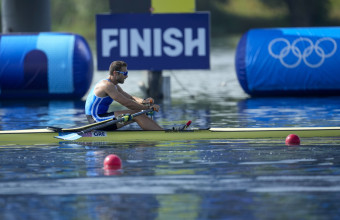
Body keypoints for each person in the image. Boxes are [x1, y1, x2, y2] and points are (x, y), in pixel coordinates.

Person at [85, 60, 163, 131]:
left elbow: (130, 98)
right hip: (96, 120)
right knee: (137, 114)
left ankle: (159, 131)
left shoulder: (114, 85)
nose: (126, 76)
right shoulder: (107, 86)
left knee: (138, 112)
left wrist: (144, 102)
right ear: (115, 73)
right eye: (125, 73)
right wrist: (147, 108)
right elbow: (127, 103)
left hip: (102, 117)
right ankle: (161, 133)